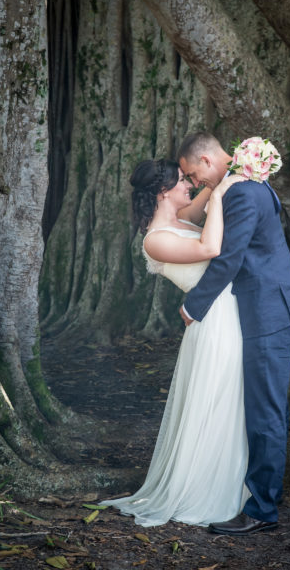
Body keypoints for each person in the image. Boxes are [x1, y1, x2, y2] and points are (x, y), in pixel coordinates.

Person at [100, 158, 249, 527]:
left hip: (229, 313)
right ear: (163, 192)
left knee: (232, 399)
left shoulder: (181, 217)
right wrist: (221, 194)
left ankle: (233, 480)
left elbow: (210, 187)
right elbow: (210, 248)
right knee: (218, 400)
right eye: (183, 181)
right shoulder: (156, 240)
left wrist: (239, 165)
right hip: (213, 322)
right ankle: (204, 490)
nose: (189, 186)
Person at [178, 132, 290, 536]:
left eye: (192, 174)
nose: (194, 183)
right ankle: (264, 494)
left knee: (265, 413)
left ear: (204, 160)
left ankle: (262, 510)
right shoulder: (243, 184)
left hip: (270, 312)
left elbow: (229, 258)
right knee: (268, 409)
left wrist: (192, 307)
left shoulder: (243, 192)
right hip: (272, 307)